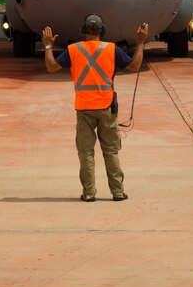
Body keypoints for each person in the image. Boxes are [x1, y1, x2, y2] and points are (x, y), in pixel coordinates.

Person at [42, 15, 149, 202]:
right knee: (111, 151)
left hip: (84, 109)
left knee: (86, 152)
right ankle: (117, 192)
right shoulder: (111, 49)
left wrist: (48, 45)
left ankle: (89, 193)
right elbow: (135, 65)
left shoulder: (73, 49)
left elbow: (51, 67)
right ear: (102, 31)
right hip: (106, 108)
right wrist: (140, 42)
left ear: (83, 30)